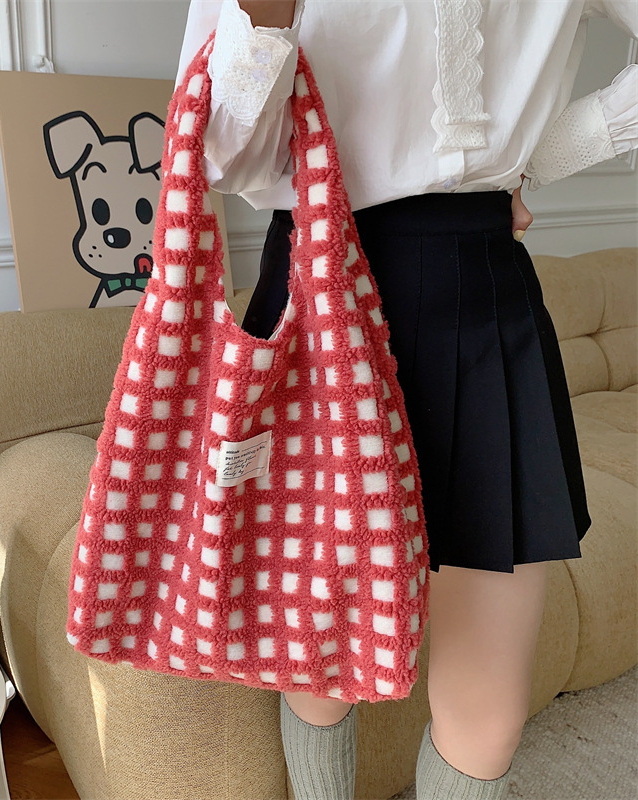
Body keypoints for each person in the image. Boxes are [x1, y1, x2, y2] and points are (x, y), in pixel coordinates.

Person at [173, 2, 637, 799]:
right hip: (315, 289)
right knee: (316, 661)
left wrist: (543, 156)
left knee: (487, 710)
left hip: (480, 289)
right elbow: (226, 153)